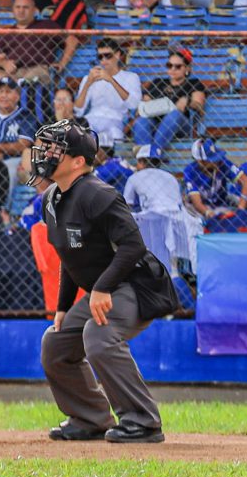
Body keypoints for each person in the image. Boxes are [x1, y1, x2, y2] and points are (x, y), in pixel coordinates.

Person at [33, 119, 169, 442]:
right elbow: (69, 257)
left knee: (99, 334)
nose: (46, 154)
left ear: (78, 162)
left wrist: (102, 287)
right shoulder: (51, 199)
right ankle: (90, 418)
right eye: (47, 148)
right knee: (55, 343)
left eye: (56, 150)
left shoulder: (98, 194)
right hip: (105, 288)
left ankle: (143, 421)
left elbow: (133, 246)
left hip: (138, 285)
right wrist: (63, 307)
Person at [132, 46, 204, 151]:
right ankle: (145, 154)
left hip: (180, 125)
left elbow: (199, 105)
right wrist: (143, 107)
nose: (172, 69)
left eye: (178, 66)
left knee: (174, 114)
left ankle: (154, 151)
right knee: (142, 121)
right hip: (156, 121)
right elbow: (145, 101)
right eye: (169, 65)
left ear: (187, 68)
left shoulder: (194, 83)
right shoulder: (158, 82)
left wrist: (188, 102)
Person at [75, 38, 141, 145]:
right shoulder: (89, 78)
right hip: (91, 120)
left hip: (115, 121)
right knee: (81, 135)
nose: (103, 60)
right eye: (100, 57)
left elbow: (134, 104)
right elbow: (78, 110)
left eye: (108, 55)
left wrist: (111, 80)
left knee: (112, 138)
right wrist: (88, 83)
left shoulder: (131, 77)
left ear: (118, 55)